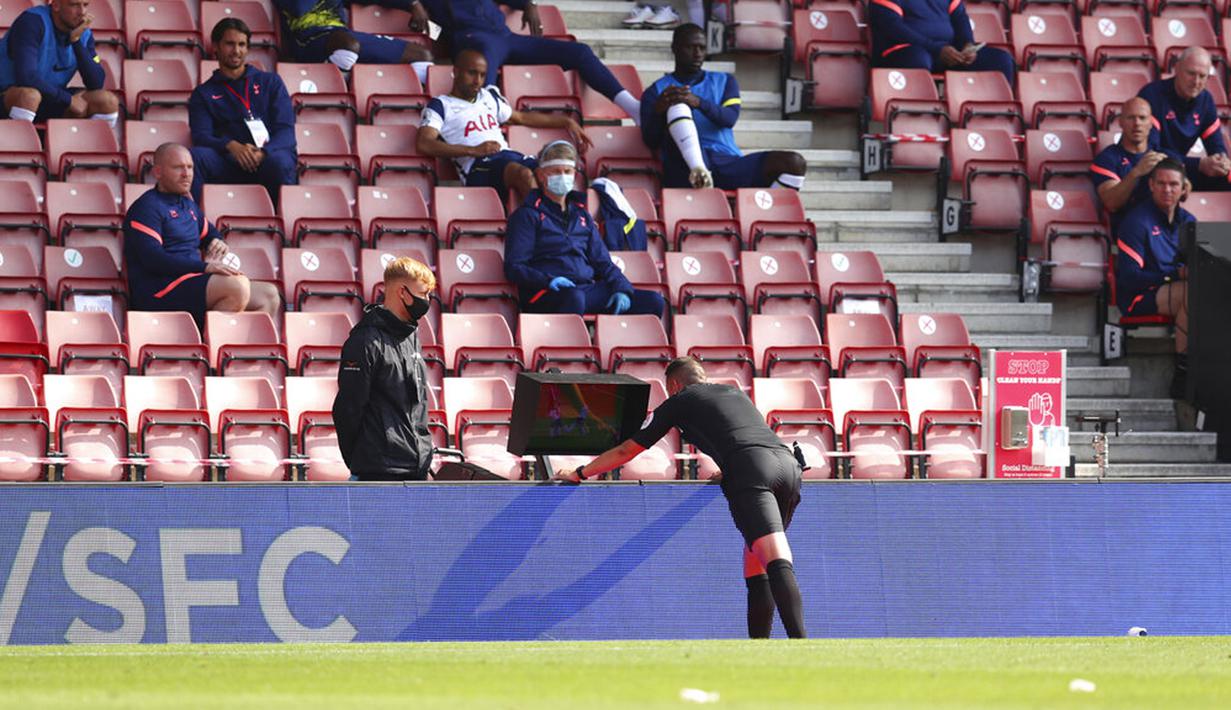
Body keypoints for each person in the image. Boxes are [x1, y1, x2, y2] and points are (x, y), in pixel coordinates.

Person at [555, 357, 807, 639]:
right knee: (756, 561)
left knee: (774, 558)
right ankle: (760, 649)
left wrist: (580, 472)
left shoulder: (680, 400)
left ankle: (802, 646)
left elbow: (628, 451)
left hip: (751, 471)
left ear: (674, 385)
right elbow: (745, 435)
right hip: (788, 467)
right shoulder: (736, 393)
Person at [124, 143, 282, 327]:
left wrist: (217, 240)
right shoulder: (146, 208)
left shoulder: (188, 205)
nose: (186, 174)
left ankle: (242, 350)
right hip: (160, 289)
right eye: (178, 168)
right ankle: (213, 347)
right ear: (158, 172)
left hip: (191, 282)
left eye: (190, 167)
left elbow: (209, 232)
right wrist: (205, 267)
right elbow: (154, 259)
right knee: (236, 287)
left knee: (269, 295)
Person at [408, 0, 642, 124]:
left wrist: (529, 5)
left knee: (579, 52)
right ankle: (488, 112)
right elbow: (434, 30)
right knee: (485, 53)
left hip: (506, 38)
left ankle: (633, 107)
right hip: (472, 41)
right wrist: (418, 11)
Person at [504, 141, 666, 316]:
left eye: (567, 172)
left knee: (653, 301)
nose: (563, 176)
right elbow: (514, 266)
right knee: (574, 298)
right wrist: (548, 281)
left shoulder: (582, 215)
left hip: (585, 289)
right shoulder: (526, 215)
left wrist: (622, 288)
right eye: (556, 172)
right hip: (545, 292)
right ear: (541, 175)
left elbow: (603, 261)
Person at [640, 23, 807, 190]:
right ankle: (699, 173)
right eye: (690, 47)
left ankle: (765, 214)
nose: (697, 54)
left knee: (794, 163)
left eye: (702, 48)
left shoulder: (725, 80)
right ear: (674, 48)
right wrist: (658, 112)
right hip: (683, 168)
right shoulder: (656, 91)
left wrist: (698, 102)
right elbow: (651, 140)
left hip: (727, 162)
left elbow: (729, 118)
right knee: (678, 108)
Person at [416, 48, 591, 205]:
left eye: (482, 75)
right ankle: (544, 228)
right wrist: (472, 150)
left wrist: (567, 122)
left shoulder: (488, 97)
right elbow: (424, 143)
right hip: (477, 167)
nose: (477, 81)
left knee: (553, 171)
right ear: (456, 71)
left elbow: (521, 117)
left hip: (507, 156)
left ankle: (573, 224)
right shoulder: (440, 105)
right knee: (522, 174)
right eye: (472, 73)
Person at [332, 256, 436, 481]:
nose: (427, 301)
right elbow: (348, 409)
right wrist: (362, 461)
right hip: (378, 475)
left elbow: (418, 406)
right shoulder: (364, 341)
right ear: (402, 292)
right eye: (423, 294)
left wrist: (424, 457)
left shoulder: (411, 336)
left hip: (416, 472)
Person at [189, 18, 297, 204]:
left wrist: (263, 153)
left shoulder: (271, 82)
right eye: (230, 44)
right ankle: (198, 223)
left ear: (247, 48)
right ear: (216, 46)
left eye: (242, 45)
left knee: (281, 160)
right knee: (196, 157)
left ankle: (281, 224)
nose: (236, 51)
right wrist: (231, 146)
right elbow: (201, 135)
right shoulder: (203, 93)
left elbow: (286, 132)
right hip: (228, 161)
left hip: (266, 160)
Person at [1114, 158, 1193, 396]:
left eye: (1173, 184)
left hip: (1175, 291)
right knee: (1190, 293)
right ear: (1150, 185)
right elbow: (1129, 278)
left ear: (1183, 188)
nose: (1167, 190)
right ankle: (1184, 372)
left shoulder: (1188, 221)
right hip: (1137, 298)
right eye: (1161, 183)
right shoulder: (1136, 222)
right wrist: (1173, 275)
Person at [0, 0, 119, 127]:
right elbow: (26, 77)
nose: (82, 12)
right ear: (56, 5)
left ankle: (92, 145)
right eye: (74, 5)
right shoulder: (32, 22)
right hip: (9, 97)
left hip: (51, 97)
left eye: (85, 5)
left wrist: (76, 41)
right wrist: (68, 99)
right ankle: (17, 144)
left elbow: (96, 83)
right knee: (29, 96)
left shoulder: (83, 34)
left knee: (107, 101)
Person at [1138, 47, 1229, 192]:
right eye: (1191, 73)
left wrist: (1221, 161)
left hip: (1179, 168)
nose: (1196, 81)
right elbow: (1151, 152)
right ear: (1177, 69)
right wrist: (1199, 164)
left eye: (1202, 76)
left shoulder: (1206, 100)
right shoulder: (1152, 95)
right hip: (1148, 170)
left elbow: (1216, 145)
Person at [273, 0, 433, 80]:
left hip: (341, 36)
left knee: (421, 55)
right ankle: (340, 83)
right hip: (308, 41)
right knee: (348, 45)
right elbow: (298, 8)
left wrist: (413, 4)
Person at [1090, 97, 1183, 231]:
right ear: (1121, 122)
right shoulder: (1107, 158)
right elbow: (1111, 203)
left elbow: (1185, 191)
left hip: (1168, 230)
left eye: (1142, 118)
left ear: (1151, 123)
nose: (1137, 123)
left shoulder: (1165, 156)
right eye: (1131, 118)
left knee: (1213, 240)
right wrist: (1136, 173)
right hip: (1131, 231)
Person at [868, 0, 1015, 84]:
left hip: (948, 52)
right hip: (905, 50)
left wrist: (967, 44)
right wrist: (937, 49)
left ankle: (987, 125)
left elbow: (960, 18)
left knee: (1001, 60)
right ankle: (922, 120)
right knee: (918, 58)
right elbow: (893, 28)